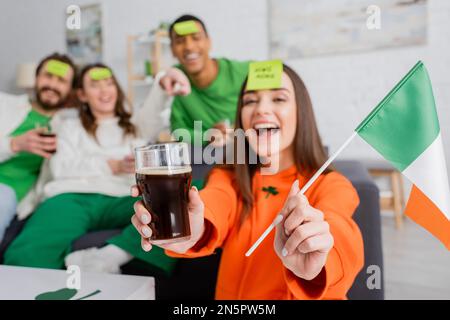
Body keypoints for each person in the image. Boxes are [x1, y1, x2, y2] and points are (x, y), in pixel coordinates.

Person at [131, 63, 364, 299]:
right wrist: (191, 229)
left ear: (301, 112)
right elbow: (215, 203)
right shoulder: (229, 177)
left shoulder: (332, 186)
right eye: (250, 101)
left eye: (279, 99)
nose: (261, 109)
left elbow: (341, 233)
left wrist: (318, 260)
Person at [4, 64, 175, 275]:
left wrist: (165, 80)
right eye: (95, 86)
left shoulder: (135, 125)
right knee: (27, 254)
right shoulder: (69, 127)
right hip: (72, 198)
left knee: (180, 195)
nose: (104, 91)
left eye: (109, 83)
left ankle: (109, 256)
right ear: (82, 95)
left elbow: (156, 109)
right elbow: (61, 168)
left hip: (122, 196)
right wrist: (110, 165)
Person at [0, 53, 76, 241]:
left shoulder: (68, 129)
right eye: (48, 76)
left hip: (6, 192)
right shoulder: (3, 103)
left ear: (70, 89)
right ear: (36, 78)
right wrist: (13, 144)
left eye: (61, 80)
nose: (52, 84)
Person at [148, 14, 250, 145]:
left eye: (196, 38)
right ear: (172, 50)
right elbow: (178, 131)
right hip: (206, 157)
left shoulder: (241, 72)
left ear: (209, 42)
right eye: (179, 41)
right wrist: (208, 136)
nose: (189, 46)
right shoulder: (175, 81)